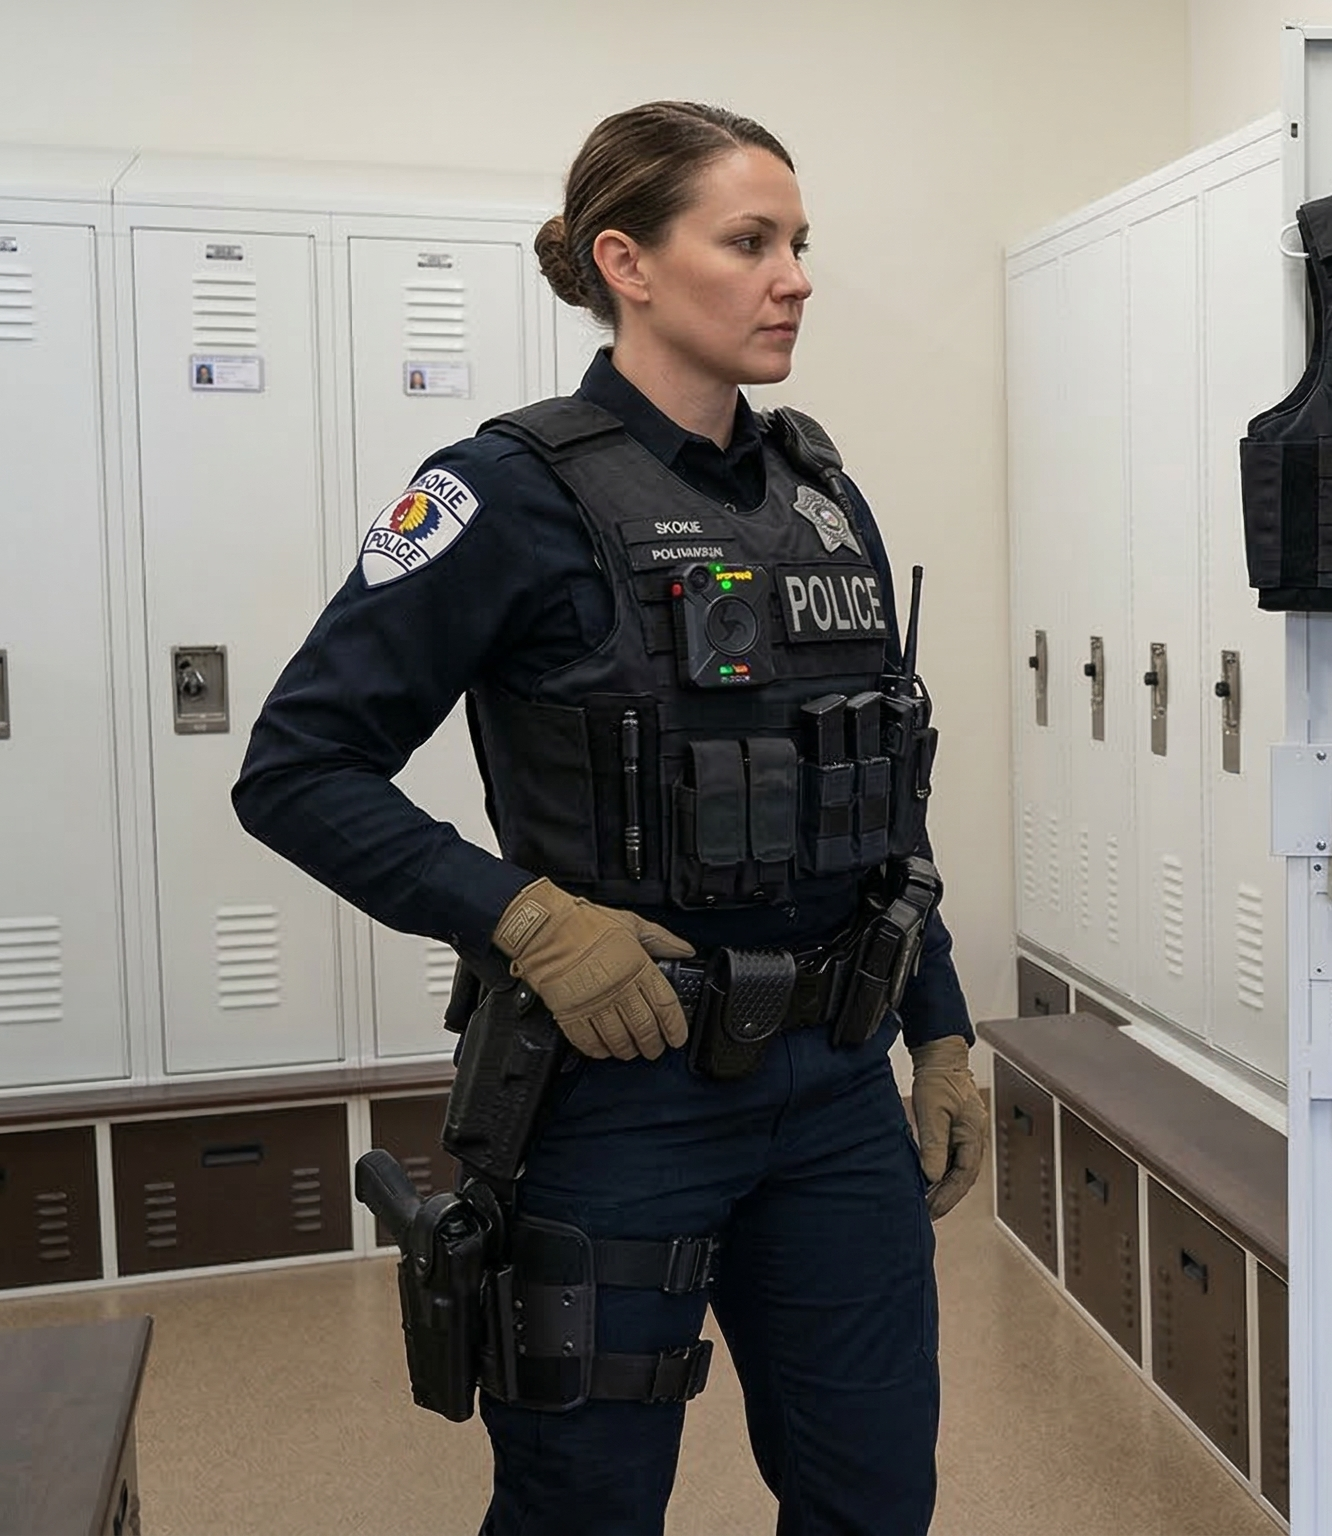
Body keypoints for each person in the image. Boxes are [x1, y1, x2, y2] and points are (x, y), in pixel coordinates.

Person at [232, 101, 986, 1535]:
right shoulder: (506, 490)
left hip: (833, 1091)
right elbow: (297, 767)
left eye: (801, 242)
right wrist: (521, 916)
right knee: (584, 1506)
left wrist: (938, 1027)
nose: (796, 276)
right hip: (623, 1093)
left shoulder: (820, 492)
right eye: (750, 241)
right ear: (624, 260)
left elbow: (879, 791)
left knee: (875, 1494)